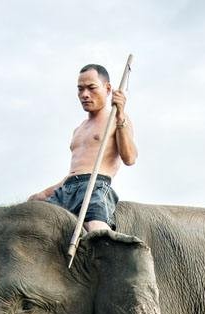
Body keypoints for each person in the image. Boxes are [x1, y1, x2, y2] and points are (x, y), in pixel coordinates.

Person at [28, 64, 138, 233]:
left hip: (95, 186)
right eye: (80, 89)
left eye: (91, 88)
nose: (85, 94)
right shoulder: (79, 129)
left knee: (97, 231)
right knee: (33, 228)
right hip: (66, 189)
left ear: (108, 88)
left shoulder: (116, 119)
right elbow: (74, 175)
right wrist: (43, 194)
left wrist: (121, 114)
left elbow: (130, 158)